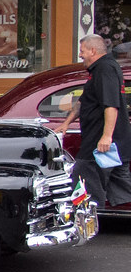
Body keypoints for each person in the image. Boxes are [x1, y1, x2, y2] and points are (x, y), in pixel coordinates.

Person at [56, 34, 131, 207]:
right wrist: (66, 123)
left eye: (82, 51)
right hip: (112, 145)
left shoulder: (105, 69)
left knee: (83, 183)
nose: (80, 55)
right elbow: (84, 101)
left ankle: (84, 224)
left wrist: (106, 137)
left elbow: (111, 105)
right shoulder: (99, 70)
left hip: (101, 145)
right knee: (122, 189)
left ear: (93, 50)